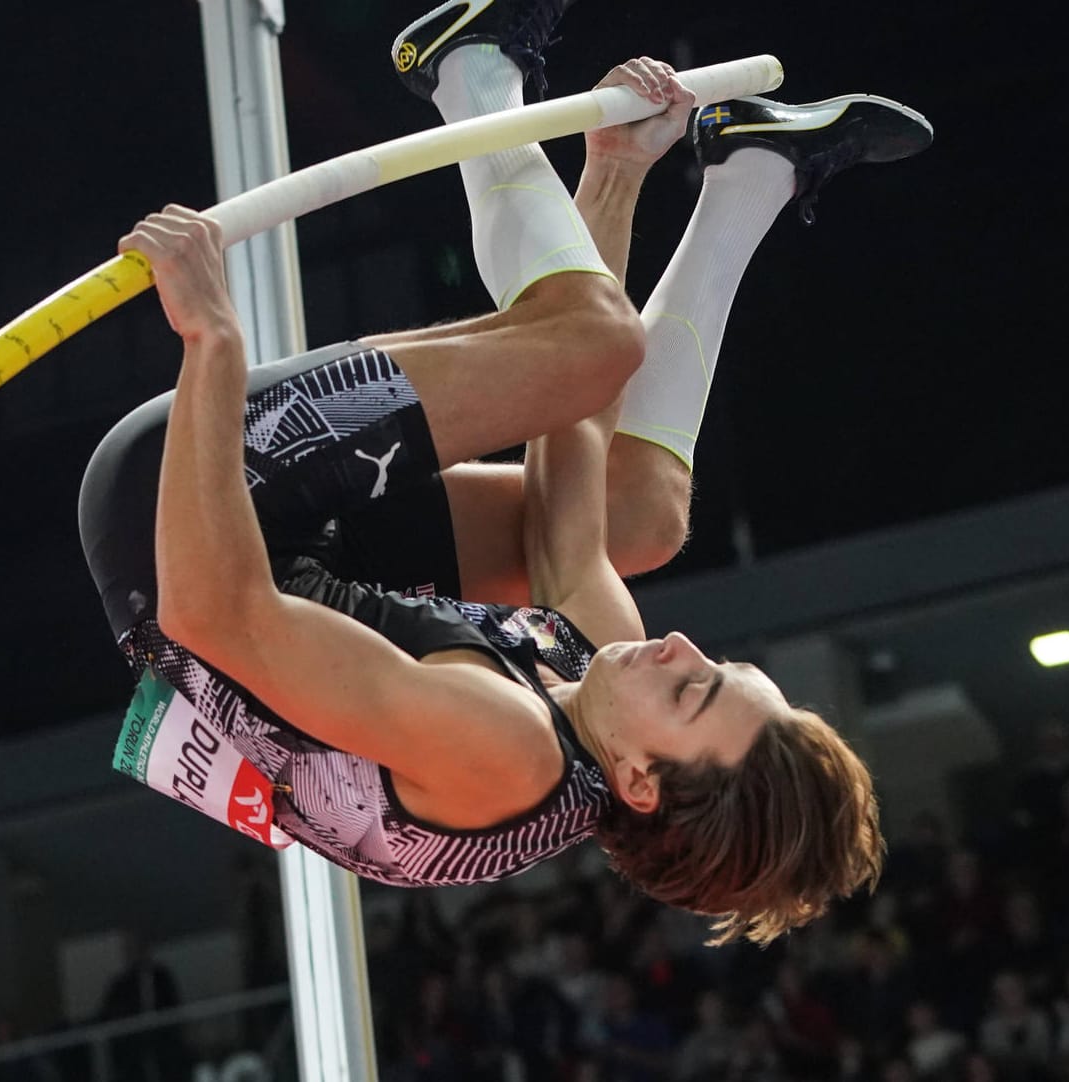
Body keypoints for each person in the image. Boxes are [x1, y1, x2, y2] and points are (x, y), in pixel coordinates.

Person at [80, 0, 931, 944]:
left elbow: (207, 612)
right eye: (724, 665)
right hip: (316, 551)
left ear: (643, 783)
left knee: (591, 342)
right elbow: (574, 438)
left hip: (190, 513)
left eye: (694, 691)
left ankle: (466, 69)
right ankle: (753, 173)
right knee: (636, 517)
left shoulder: (504, 752)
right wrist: (613, 172)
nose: (685, 648)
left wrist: (211, 340)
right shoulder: (600, 699)